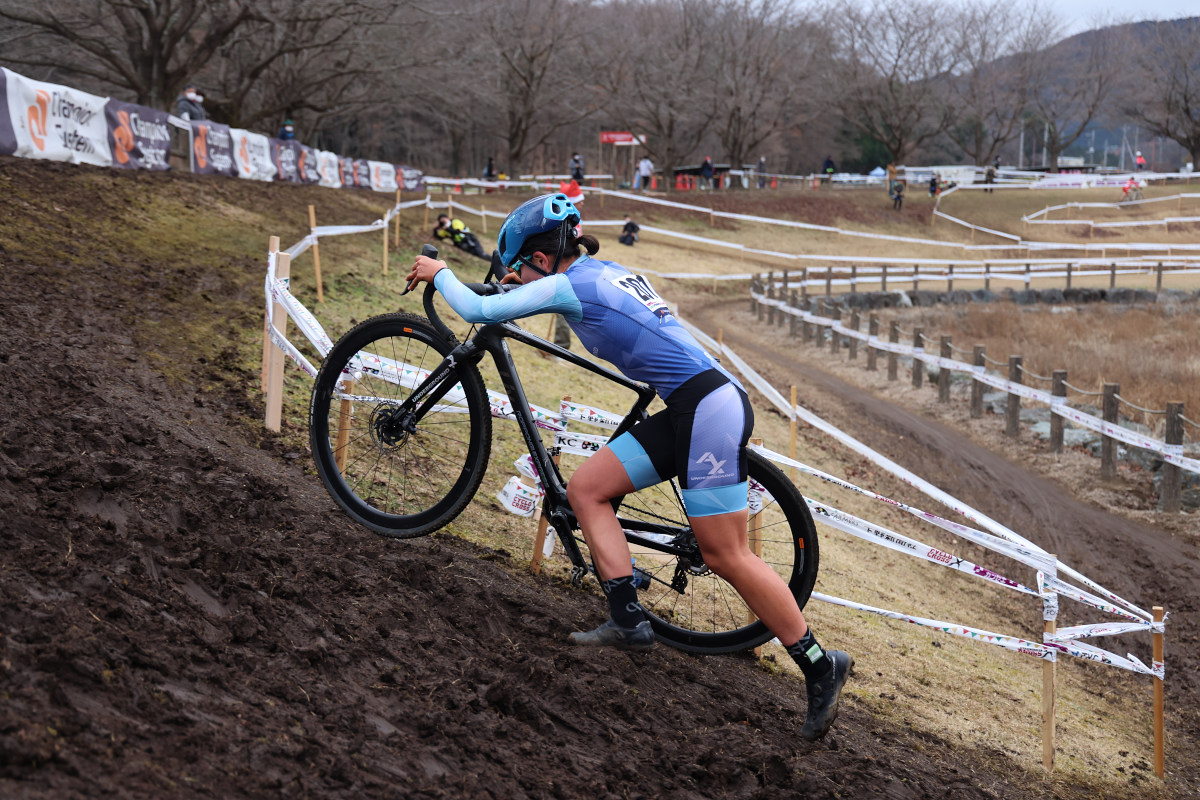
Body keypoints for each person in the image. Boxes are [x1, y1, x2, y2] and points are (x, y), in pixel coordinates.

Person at [405, 193, 853, 742]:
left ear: (542, 261)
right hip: (693, 403)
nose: (516, 277)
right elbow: (520, 299)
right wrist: (503, 288)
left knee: (724, 553)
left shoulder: (572, 284)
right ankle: (628, 618)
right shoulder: (600, 270)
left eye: (520, 267)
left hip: (707, 410)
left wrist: (440, 271)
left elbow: (476, 312)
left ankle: (818, 664)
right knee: (588, 489)